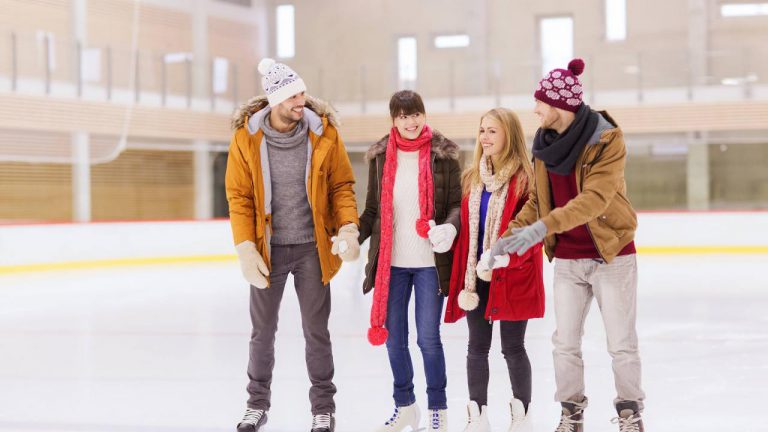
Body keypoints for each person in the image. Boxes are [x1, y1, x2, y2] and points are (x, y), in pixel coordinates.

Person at [491, 59, 645, 432]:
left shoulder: (606, 139)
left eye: (540, 102)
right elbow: (538, 201)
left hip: (611, 253)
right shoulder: (545, 145)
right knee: (564, 343)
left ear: (559, 105)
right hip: (568, 259)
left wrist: (541, 228)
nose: (535, 109)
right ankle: (571, 413)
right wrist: (512, 234)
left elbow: (595, 199)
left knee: (621, 343)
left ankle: (630, 412)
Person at [225, 58, 359, 432]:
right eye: (293, 94)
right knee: (262, 331)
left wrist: (348, 227)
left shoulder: (324, 134)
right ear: (275, 99)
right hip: (269, 250)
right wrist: (245, 246)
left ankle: (323, 408)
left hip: (312, 250)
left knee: (317, 330)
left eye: (302, 92)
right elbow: (239, 197)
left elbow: (341, 186)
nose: (302, 99)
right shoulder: (246, 139)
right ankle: (256, 404)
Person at [357, 90, 462, 432]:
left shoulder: (443, 156)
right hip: (392, 266)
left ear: (423, 114)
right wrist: (350, 237)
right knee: (394, 339)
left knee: (428, 340)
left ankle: (438, 409)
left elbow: (457, 205)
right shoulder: (379, 159)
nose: (410, 121)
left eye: (415, 114)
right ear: (393, 120)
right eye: (402, 116)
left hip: (430, 264)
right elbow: (372, 211)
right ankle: (405, 407)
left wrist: (449, 226)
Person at [444, 107, 544, 432]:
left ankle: (522, 416)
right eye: (482, 131)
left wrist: (503, 257)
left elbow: (532, 232)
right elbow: (466, 221)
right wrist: (450, 230)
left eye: (493, 131)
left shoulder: (525, 181)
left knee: (513, 347)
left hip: (512, 273)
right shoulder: (473, 178)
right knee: (477, 347)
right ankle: (478, 416)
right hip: (477, 275)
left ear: (509, 135)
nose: (485, 137)